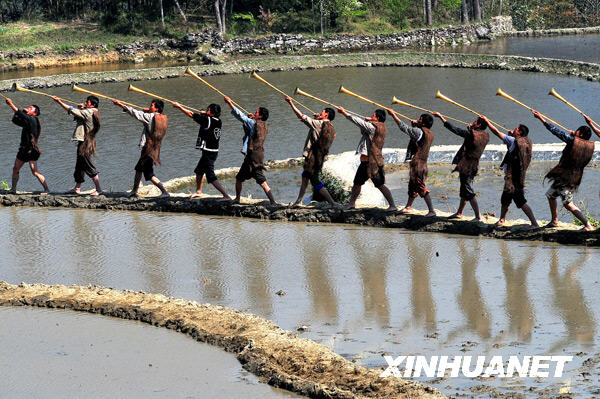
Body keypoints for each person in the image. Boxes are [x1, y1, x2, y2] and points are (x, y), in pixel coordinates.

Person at [532, 110, 594, 231]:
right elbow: (575, 144)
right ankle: (554, 221)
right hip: (571, 177)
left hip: (567, 179)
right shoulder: (587, 146)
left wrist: (541, 119)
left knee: (568, 204)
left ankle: (587, 225)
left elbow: (557, 132)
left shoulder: (573, 141)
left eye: (577, 131)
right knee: (550, 195)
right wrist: (574, 137)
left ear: (580, 134)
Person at [480, 116, 538, 228]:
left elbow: (496, 132)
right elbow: (512, 151)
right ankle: (502, 219)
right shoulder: (526, 143)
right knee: (506, 199)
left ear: (519, 132)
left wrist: (487, 121)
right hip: (519, 176)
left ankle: (534, 223)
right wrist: (513, 136)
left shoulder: (513, 141)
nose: (514, 129)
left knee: (520, 201)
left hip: (512, 179)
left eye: (516, 129)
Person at [336, 106, 396, 211]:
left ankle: (392, 205)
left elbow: (357, 121)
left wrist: (344, 112)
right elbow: (363, 131)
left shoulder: (373, 127)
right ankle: (352, 203)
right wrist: (367, 122)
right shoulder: (380, 127)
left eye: (373, 115)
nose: (371, 116)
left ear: (377, 118)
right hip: (367, 163)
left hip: (371, 163)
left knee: (380, 185)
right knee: (357, 183)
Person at [433, 112, 489, 221]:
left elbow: (455, 130)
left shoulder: (471, 134)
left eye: (475, 122)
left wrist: (441, 117)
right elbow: (472, 141)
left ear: (478, 125)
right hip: (473, 166)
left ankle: (478, 216)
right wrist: (471, 130)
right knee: (464, 189)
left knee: (468, 190)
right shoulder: (486, 136)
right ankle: (459, 213)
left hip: (466, 166)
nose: (473, 122)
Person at [223, 96, 277, 205]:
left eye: (256, 112)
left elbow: (241, 116)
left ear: (260, 115)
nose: (254, 113)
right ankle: (273, 202)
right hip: (259, 155)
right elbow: (249, 124)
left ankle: (237, 199)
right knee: (262, 181)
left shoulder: (253, 123)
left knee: (239, 178)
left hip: (252, 156)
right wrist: (253, 118)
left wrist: (230, 103)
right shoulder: (264, 125)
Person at [172, 102, 231, 200]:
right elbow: (208, 119)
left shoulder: (207, 119)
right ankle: (199, 191)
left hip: (209, 152)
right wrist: (206, 114)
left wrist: (179, 107)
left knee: (210, 175)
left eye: (208, 109)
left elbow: (191, 114)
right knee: (199, 171)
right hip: (212, 151)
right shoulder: (218, 121)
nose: (206, 111)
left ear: (211, 112)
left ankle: (226, 195)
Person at [113, 98, 170, 198]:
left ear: (156, 108)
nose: (149, 106)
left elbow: (135, 113)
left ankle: (164, 191)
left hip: (148, 148)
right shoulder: (162, 117)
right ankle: (134, 190)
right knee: (139, 169)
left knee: (148, 173)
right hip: (154, 148)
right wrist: (149, 111)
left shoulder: (149, 117)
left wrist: (120, 105)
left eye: (151, 106)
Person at [285, 96, 336, 206]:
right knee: (305, 177)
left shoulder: (318, 124)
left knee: (315, 182)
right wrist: (318, 119)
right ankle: (299, 201)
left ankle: (332, 202)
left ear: (326, 115)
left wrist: (291, 103)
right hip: (319, 157)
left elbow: (301, 116)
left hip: (312, 158)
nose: (320, 113)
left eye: (322, 112)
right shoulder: (331, 127)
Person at [387, 110, 436, 216]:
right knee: (412, 186)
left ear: (423, 123)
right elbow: (416, 138)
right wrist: (416, 126)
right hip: (423, 164)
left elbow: (403, 127)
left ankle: (432, 211)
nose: (417, 119)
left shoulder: (419, 131)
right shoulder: (430, 133)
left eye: (420, 119)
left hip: (417, 164)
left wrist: (393, 115)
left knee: (420, 187)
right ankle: (408, 206)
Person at [53, 95, 102, 195]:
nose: (85, 102)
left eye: (87, 102)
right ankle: (77, 188)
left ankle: (99, 189)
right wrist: (82, 107)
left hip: (86, 142)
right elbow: (78, 114)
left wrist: (59, 101)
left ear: (92, 105)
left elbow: (72, 110)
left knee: (88, 165)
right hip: (84, 141)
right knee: (79, 166)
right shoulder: (90, 111)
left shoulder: (89, 111)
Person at [4, 98, 49, 194]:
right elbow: (15, 120)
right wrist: (19, 112)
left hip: (31, 150)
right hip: (23, 149)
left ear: (35, 113)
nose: (29, 108)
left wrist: (11, 104)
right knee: (15, 169)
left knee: (35, 172)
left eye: (31, 108)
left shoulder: (33, 119)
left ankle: (46, 189)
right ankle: (13, 189)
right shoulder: (27, 120)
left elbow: (20, 114)